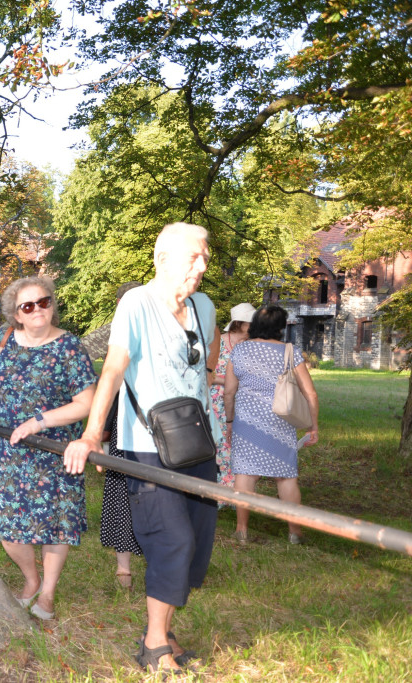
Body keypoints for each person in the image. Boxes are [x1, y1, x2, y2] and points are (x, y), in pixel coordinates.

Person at [63, 222, 218, 675]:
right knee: (172, 538)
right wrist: (92, 434)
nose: (201, 266)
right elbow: (113, 369)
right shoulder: (137, 303)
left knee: (195, 543)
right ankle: (153, 645)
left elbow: (204, 368)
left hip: (198, 443)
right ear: (162, 259)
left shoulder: (205, 307)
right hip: (147, 447)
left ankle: (165, 631)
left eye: (205, 257)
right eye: (193, 257)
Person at [0, 276, 96, 621]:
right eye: (28, 306)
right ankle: (31, 580)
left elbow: (86, 402)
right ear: (16, 314)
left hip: (54, 450)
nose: (38, 309)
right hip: (9, 450)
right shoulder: (2, 338)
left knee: (55, 524)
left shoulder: (69, 346)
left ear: (52, 305)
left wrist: (39, 421)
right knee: (7, 525)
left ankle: (48, 594)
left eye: (44, 302)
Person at [224, 305, 319, 544]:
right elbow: (310, 393)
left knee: (245, 474)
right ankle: (295, 533)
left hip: (246, 422)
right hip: (280, 421)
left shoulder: (239, 350)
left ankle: (241, 530)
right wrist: (313, 426)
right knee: (286, 477)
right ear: (280, 327)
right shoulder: (290, 351)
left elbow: (229, 392)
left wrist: (230, 421)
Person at [98, 281, 143, 590]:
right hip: (134, 427)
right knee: (131, 494)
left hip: (133, 427)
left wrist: (100, 428)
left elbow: (109, 382)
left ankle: (124, 569)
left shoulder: (118, 333)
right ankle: (125, 568)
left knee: (124, 494)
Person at [210, 303, 256, 490]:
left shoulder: (251, 346)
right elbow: (206, 374)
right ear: (238, 323)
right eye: (250, 322)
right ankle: (221, 490)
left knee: (240, 448)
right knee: (221, 445)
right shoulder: (217, 342)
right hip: (217, 402)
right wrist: (229, 382)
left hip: (243, 403)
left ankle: (238, 490)